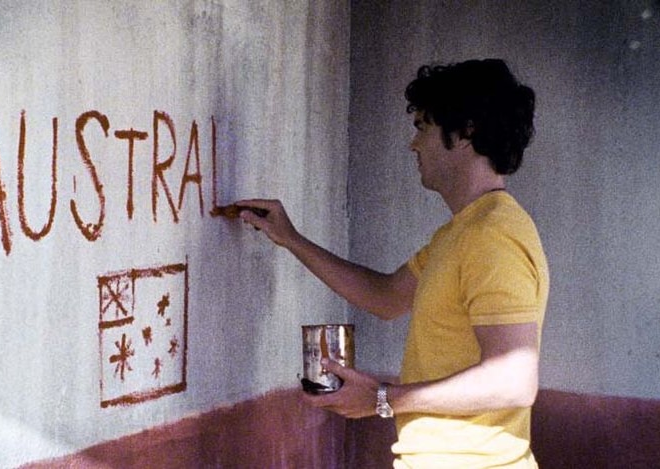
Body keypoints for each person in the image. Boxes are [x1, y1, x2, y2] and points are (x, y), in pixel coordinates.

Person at [235, 59, 549, 468]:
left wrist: (383, 399)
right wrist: (291, 239)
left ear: (467, 132)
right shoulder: (461, 233)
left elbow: (514, 381)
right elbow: (385, 296)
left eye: (423, 127)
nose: (413, 144)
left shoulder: (492, 236)